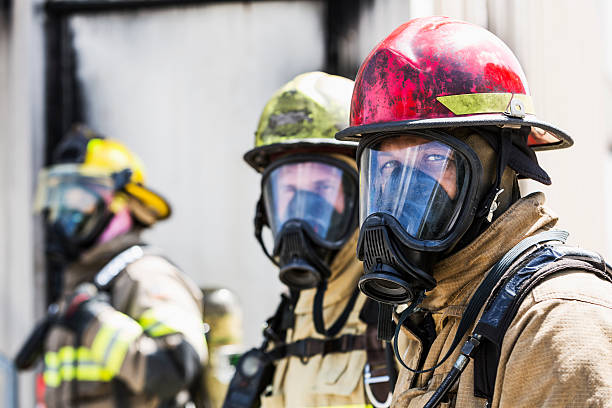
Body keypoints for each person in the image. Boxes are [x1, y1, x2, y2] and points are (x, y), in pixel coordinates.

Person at [335, 16, 612, 408]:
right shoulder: (433, 317)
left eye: (432, 159)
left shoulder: (557, 326)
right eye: (389, 167)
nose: (404, 193)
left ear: (499, 172)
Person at [224, 71, 396, 408]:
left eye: (321, 189)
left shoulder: (401, 318)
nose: (300, 217)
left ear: (366, 194)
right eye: (289, 191)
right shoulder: (288, 322)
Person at [30, 125, 207, 407]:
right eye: (62, 202)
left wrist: (94, 322)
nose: (66, 216)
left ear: (123, 207)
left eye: (82, 202)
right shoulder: (82, 285)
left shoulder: (145, 275)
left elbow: (176, 369)